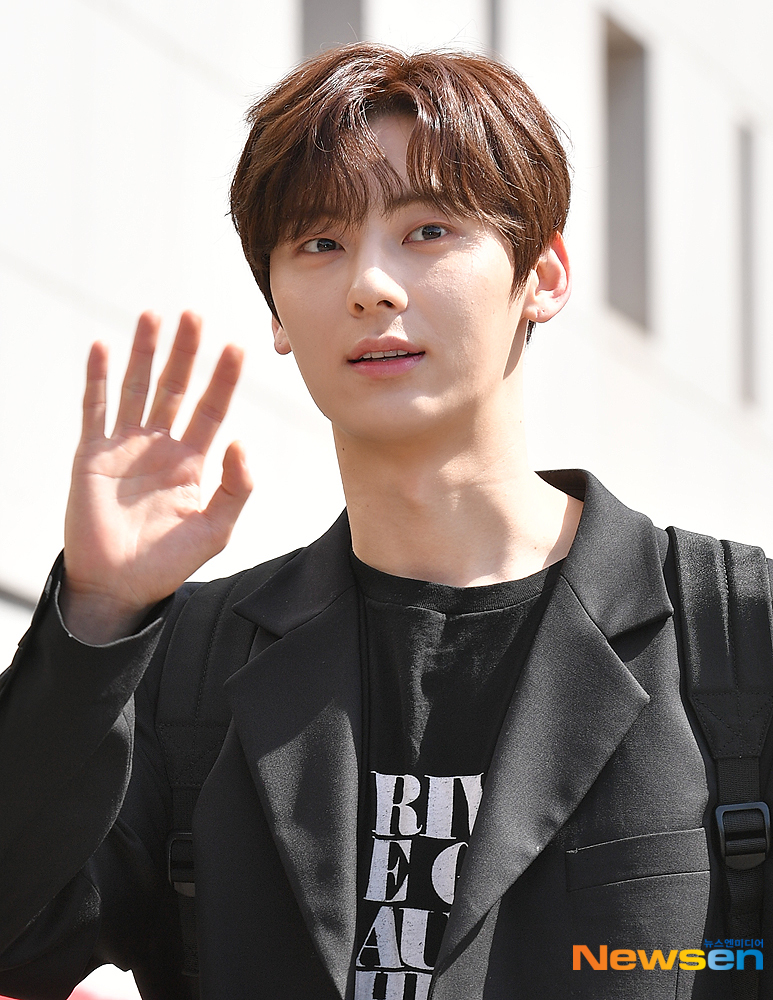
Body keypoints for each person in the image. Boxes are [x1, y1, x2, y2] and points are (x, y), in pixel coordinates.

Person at [0, 42, 769, 1000]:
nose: (371, 284)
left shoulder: (736, 636)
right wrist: (102, 616)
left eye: (429, 230)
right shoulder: (189, 667)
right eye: (319, 244)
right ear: (277, 310)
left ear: (545, 273)